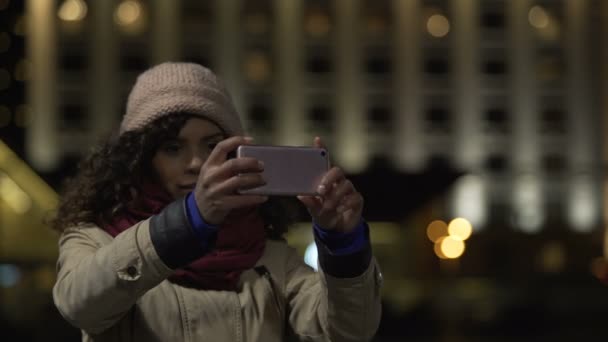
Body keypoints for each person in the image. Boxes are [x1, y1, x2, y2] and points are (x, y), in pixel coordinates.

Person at [51, 62, 382, 341]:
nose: (196, 163)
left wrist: (343, 244)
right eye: (172, 148)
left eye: (212, 146)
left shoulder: (271, 259)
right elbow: (79, 304)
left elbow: (346, 331)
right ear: (139, 159)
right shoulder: (95, 238)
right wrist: (190, 221)